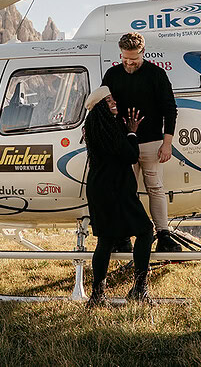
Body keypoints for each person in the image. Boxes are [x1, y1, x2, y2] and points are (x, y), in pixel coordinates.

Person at [102, 32, 180, 253]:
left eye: (133, 59)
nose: (129, 63)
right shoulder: (112, 74)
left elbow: (170, 110)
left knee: (155, 187)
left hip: (152, 142)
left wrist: (167, 143)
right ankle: (123, 237)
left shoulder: (156, 74)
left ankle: (163, 234)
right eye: (125, 58)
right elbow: (103, 105)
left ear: (143, 52)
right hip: (123, 144)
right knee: (125, 190)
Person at [82, 85, 153, 306]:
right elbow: (131, 155)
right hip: (117, 190)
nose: (114, 103)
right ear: (101, 106)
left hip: (99, 189)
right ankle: (139, 288)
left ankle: (97, 295)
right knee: (145, 231)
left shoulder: (93, 126)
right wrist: (131, 131)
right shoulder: (111, 128)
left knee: (105, 241)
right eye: (109, 100)